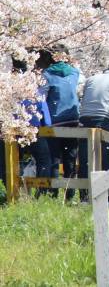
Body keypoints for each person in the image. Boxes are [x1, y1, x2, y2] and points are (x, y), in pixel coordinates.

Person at [39, 45, 85, 200]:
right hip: (72, 119)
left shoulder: (46, 75)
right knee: (70, 158)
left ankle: (53, 194)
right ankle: (70, 195)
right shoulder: (75, 73)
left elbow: (42, 100)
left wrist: (46, 121)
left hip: (54, 121)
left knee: (54, 159)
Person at [16, 58, 53, 195]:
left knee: (13, 160)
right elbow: (43, 106)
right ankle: (42, 192)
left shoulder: (6, 84)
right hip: (33, 129)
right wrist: (47, 126)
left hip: (12, 130)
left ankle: (14, 192)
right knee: (44, 159)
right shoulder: (33, 86)